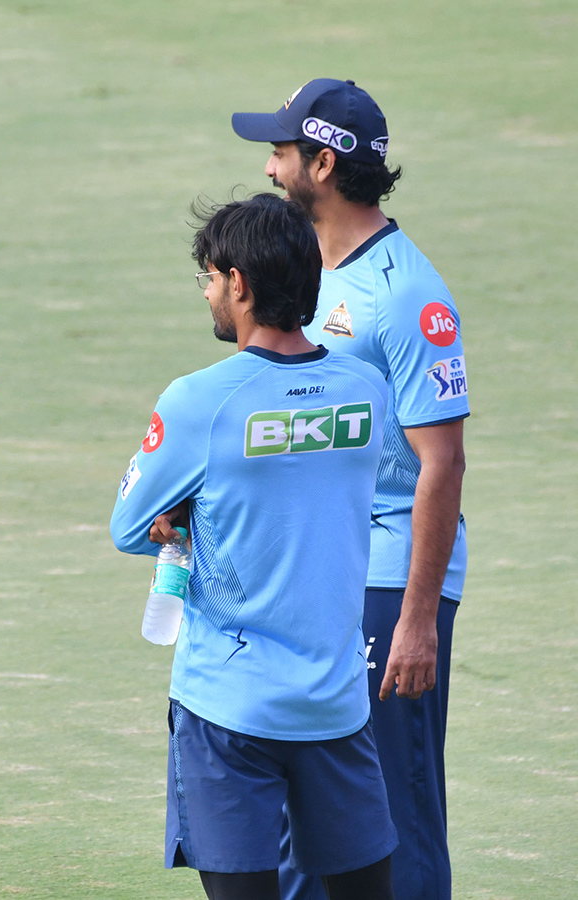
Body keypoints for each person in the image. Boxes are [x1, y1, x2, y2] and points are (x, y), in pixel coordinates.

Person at [110, 193, 396, 900]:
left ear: (238, 284)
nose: (208, 294)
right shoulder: (366, 390)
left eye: (209, 278)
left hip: (227, 710)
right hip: (334, 704)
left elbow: (129, 527)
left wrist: (185, 513)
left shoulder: (199, 401)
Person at [232, 79, 468, 900]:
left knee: (390, 805)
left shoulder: (406, 295)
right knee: (307, 796)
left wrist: (416, 620)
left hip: (387, 579)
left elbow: (443, 464)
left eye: (281, 151)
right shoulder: (301, 271)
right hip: (318, 565)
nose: (268, 167)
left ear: (322, 164)